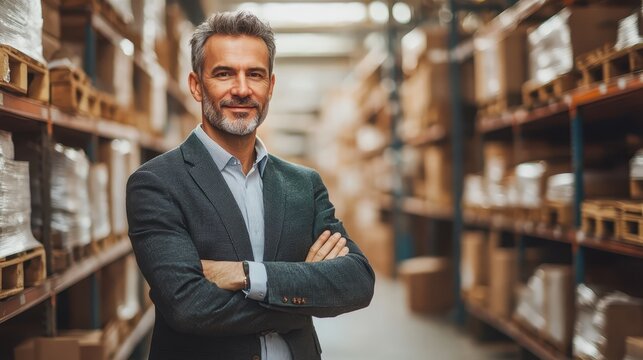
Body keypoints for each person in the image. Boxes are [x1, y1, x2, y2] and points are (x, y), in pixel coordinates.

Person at [125, 11, 375, 360]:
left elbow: (357, 282)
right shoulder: (157, 184)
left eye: (254, 75)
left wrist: (246, 275)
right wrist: (302, 295)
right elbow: (189, 306)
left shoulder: (304, 185)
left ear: (270, 86)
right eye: (224, 73)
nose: (241, 89)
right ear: (196, 85)